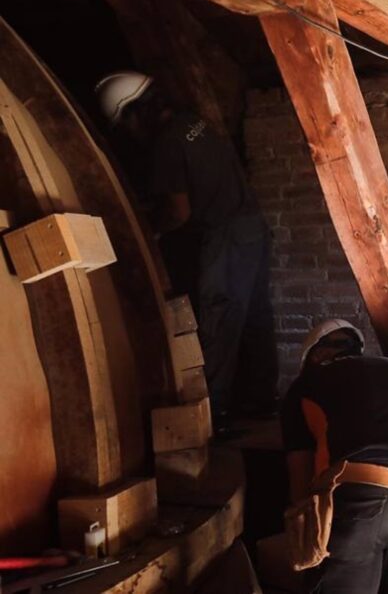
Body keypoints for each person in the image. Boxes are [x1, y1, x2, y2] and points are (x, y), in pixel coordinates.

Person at [96, 72, 278, 429]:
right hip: (252, 227)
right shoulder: (194, 122)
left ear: (135, 111)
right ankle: (260, 403)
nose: (131, 132)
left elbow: (179, 213)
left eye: (126, 122)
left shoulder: (165, 144)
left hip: (225, 236)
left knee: (219, 320)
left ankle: (210, 417)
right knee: (257, 318)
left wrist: (150, 233)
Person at [281, 319, 388, 593]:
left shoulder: (307, 383)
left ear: (314, 356)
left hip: (363, 498)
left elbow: (301, 480)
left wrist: (305, 540)